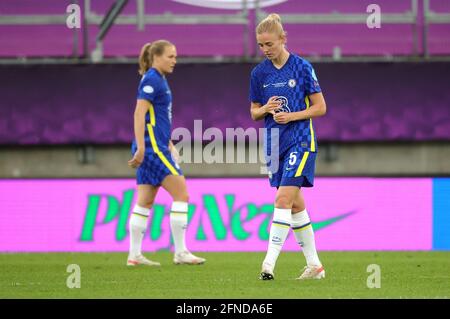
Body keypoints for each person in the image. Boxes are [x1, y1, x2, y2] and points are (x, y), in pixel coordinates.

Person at [249, 14, 327, 280]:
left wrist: (292, 116)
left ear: (283, 39)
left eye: (269, 44)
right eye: (261, 45)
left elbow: (320, 107)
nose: (265, 50)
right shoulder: (259, 73)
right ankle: (315, 266)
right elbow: (253, 113)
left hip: (300, 140)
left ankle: (268, 264)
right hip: (273, 144)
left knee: (282, 200)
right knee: (294, 206)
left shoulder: (302, 67)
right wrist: (266, 109)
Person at [127, 40, 205, 266]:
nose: (174, 61)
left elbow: (155, 118)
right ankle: (180, 252)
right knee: (182, 195)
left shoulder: (158, 79)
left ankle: (134, 255)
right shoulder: (152, 79)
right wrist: (142, 147)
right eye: (171, 56)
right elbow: (139, 114)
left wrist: (169, 143)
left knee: (145, 201)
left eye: (175, 56)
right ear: (157, 57)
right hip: (152, 148)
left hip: (157, 145)